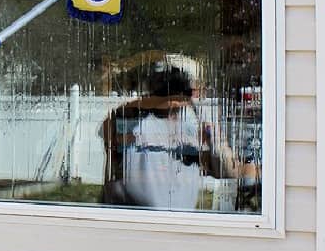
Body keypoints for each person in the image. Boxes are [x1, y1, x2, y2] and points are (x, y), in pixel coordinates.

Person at [101, 63, 237, 210]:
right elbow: (111, 142)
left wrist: (214, 139)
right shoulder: (134, 121)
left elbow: (228, 172)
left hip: (179, 222)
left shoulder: (194, 126)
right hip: (133, 219)